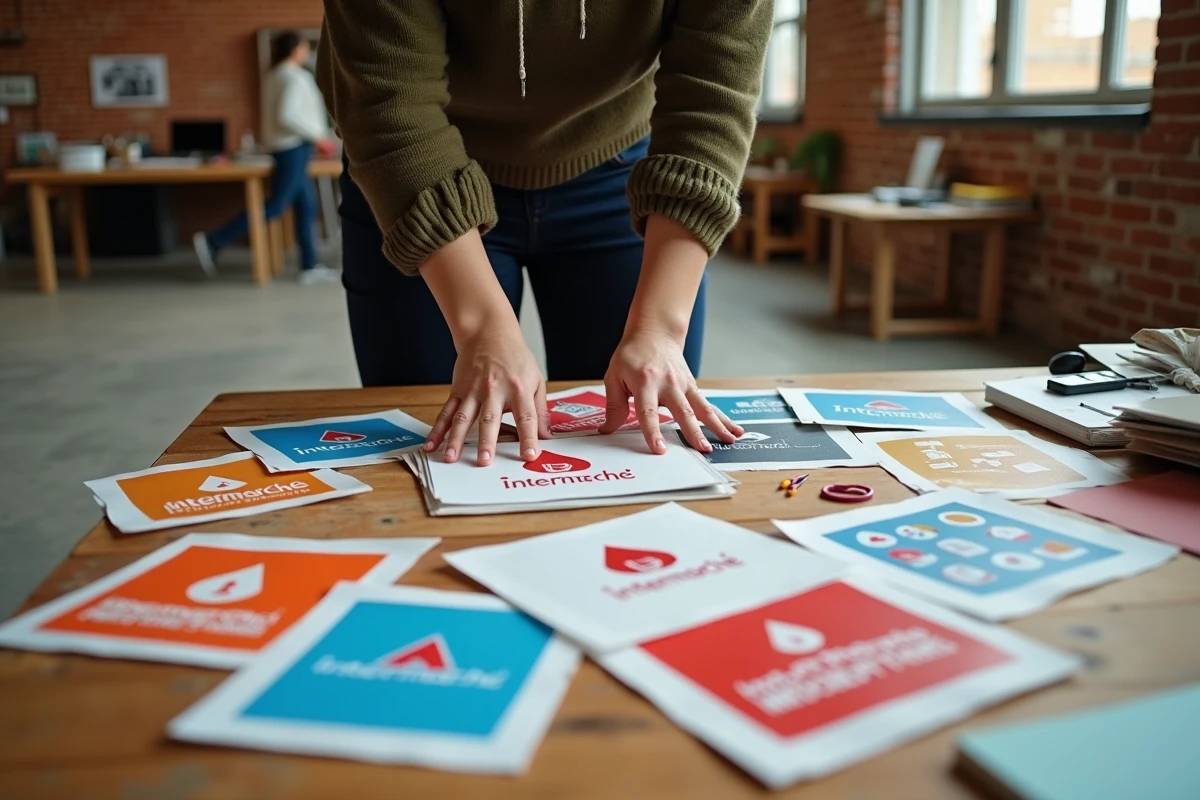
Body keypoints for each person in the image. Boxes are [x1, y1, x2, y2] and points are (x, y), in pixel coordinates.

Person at [318, 1, 771, 464]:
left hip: (619, 170)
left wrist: (660, 328)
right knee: (426, 444)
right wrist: (481, 331)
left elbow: (714, 95)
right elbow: (388, 101)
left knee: (640, 445)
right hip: (418, 175)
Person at [195, 31, 339, 285]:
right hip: (293, 148)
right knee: (276, 206)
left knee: (306, 205)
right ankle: (214, 240)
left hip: (287, 147)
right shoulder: (293, 77)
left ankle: (309, 265)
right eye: (304, 47)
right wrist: (319, 137)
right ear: (296, 49)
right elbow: (288, 114)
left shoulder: (275, 75)